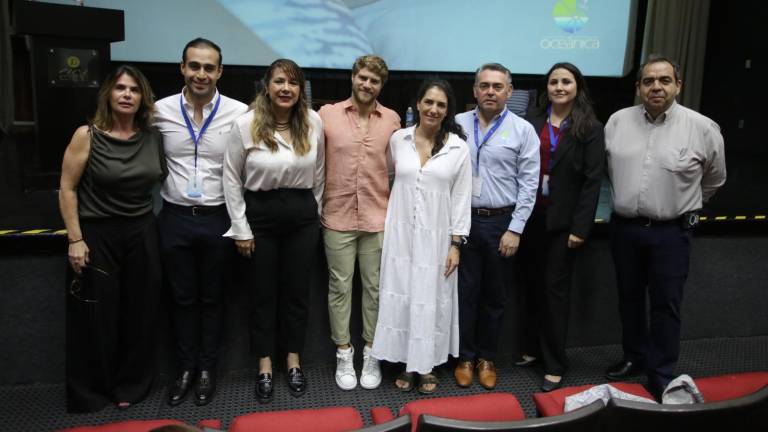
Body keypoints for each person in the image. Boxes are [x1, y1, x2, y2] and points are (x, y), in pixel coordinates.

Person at [604, 55, 726, 399]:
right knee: (628, 298)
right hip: (625, 228)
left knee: (665, 303)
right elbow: (609, 170)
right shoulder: (617, 122)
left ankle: (661, 373)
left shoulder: (702, 127)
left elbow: (715, 178)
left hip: (671, 232)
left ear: (677, 85)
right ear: (639, 86)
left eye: (664, 80)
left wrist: (680, 201)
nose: (656, 87)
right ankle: (634, 356)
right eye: (648, 81)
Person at [59, 65, 166, 413]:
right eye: (120, 88)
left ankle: (131, 385)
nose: (127, 95)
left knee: (140, 313)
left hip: (141, 230)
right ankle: (91, 390)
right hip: (98, 233)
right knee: (96, 317)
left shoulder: (153, 137)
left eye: (134, 90)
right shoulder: (86, 135)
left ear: (142, 98)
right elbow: (67, 188)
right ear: (108, 93)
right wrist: (76, 239)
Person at [223, 59, 324, 403]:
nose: (286, 88)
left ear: (300, 89)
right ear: (266, 86)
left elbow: (320, 174)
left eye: (293, 83)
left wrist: (315, 213)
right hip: (260, 216)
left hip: (301, 217)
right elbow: (231, 180)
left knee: (297, 294)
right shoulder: (246, 124)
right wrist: (241, 228)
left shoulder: (313, 122)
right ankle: (265, 364)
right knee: (262, 294)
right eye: (279, 81)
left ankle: (293, 360)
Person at [154, 38, 248, 407]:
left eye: (209, 68)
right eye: (194, 66)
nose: (201, 74)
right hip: (174, 217)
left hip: (217, 217)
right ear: (182, 68)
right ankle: (184, 370)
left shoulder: (239, 112)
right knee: (180, 299)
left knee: (212, 299)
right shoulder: (160, 110)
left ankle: (207, 370)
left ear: (220, 72)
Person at [371, 78, 472, 395]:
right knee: (403, 296)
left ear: (447, 110)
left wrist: (456, 244)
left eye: (441, 104)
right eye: (428, 102)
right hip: (401, 234)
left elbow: (461, 198)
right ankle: (405, 362)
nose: (433, 108)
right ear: (417, 104)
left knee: (432, 300)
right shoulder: (398, 140)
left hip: (438, 238)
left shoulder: (458, 147)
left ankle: (426, 365)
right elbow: (387, 179)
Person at [517, 62, 605, 391]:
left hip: (564, 224)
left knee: (554, 293)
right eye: (553, 81)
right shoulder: (533, 122)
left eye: (566, 81)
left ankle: (555, 363)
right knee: (530, 286)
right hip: (531, 219)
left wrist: (581, 228)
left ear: (577, 87)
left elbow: (593, 181)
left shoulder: (590, 127)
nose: (559, 87)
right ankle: (531, 349)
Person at [454, 63, 540, 390]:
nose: (491, 91)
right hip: (463, 222)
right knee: (464, 293)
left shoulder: (522, 130)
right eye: (485, 85)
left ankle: (486, 357)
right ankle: (464, 356)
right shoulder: (457, 125)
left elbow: (529, 184)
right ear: (475, 90)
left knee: (495, 295)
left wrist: (516, 228)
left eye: (498, 86)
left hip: (502, 223)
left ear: (509, 91)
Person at [318, 55, 400, 391]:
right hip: (336, 216)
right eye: (363, 78)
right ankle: (343, 353)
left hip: (377, 218)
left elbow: (395, 171)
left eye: (374, 81)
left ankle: (371, 353)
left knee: (375, 289)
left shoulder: (392, 120)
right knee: (339, 288)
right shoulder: (327, 114)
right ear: (353, 78)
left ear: (381, 86)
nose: (367, 85)